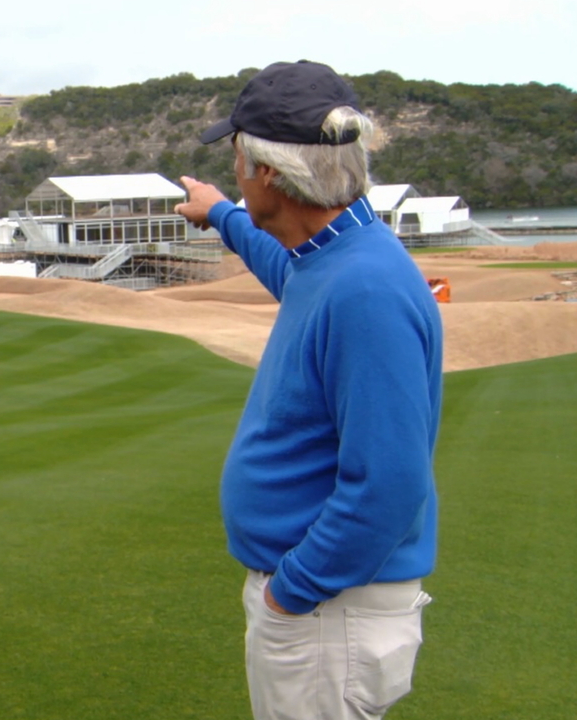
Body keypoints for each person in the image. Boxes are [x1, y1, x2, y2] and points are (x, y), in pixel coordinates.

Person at [173, 61, 443, 720]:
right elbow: (287, 265)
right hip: (323, 608)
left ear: (267, 172)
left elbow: (388, 483)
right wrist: (221, 215)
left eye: (238, 157)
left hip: (327, 611)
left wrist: (290, 593)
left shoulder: (366, 290)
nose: (235, 171)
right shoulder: (331, 256)